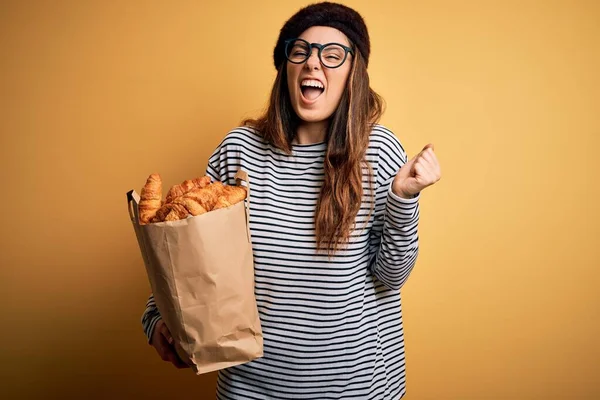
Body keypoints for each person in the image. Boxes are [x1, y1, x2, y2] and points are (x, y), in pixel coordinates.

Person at [141, 2, 441, 399]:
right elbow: (191, 250)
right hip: (251, 388)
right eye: (300, 52)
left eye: (333, 55)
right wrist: (157, 316)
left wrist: (403, 198)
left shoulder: (378, 151)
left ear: (355, 74)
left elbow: (391, 277)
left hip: (358, 389)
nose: (313, 64)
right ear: (286, 69)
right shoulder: (240, 151)